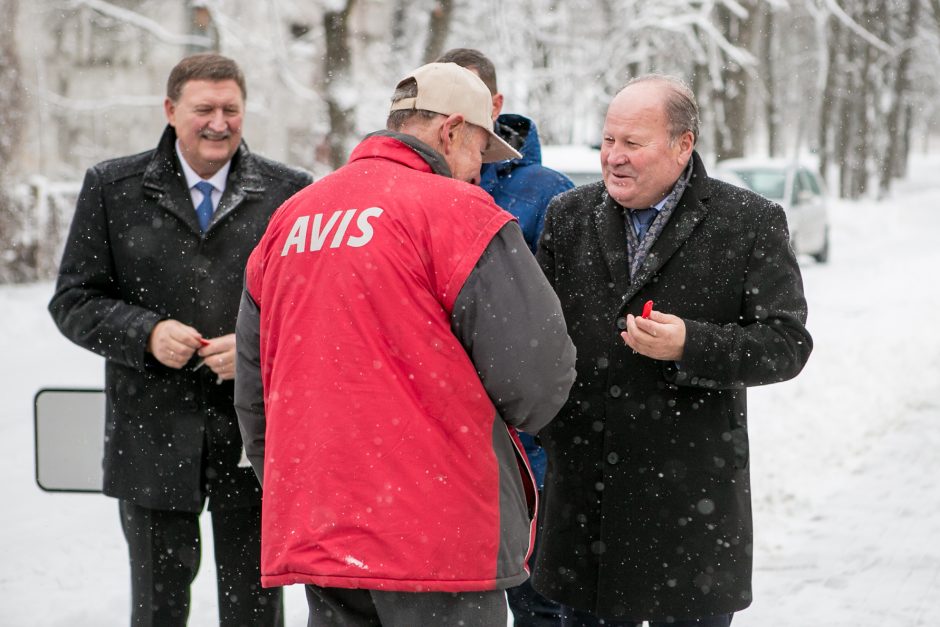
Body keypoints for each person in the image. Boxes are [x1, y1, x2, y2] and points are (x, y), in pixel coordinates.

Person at [234, 62, 577, 626]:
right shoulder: (460, 215)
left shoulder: (289, 221)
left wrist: (304, 486)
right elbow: (537, 378)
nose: (477, 174)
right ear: (451, 131)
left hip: (326, 536)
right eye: (478, 154)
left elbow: (256, 389)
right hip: (440, 541)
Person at [532, 74, 813, 626]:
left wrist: (692, 343)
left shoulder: (749, 222)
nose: (614, 157)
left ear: (684, 145)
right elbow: (541, 340)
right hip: (586, 511)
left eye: (633, 143)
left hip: (687, 520)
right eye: (608, 140)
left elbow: (787, 344)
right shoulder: (568, 217)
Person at [48, 52, 312, 626]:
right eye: (203, 109)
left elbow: (313, 314)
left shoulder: (291, 194)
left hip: (254, 439)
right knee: (158, 608)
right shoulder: (112, 188)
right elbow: (72, 300)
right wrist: (146, 333)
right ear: (171, 111)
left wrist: (253, 349)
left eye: (230, 109)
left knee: (255, 610)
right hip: (151, 436)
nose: (219, 122)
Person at [436, 46, 573, 627]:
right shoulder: (408, 191)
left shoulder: (548, 192)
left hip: (525, 443)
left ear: (495, 104)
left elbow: (567, 319)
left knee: (538, 599)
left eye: (471, 100)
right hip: (435, 439)